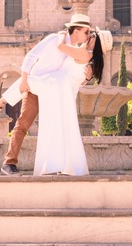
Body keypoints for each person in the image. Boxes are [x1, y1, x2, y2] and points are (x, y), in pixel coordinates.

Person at [0, 13, 99, 175]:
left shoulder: (75, 49)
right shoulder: (53, 39)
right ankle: (9, 163)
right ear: (76, 30)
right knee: (23, 124)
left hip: (54, 93)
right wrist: (24, 80)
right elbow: (30, 57)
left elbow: (72, 75)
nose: (88, 36)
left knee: (57, 127)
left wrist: (87, 76)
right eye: (86, 32)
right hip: (37, 87)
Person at [28, 28, 105, 176]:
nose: (89, 36)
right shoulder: (85, 55)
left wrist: (62, 34)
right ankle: (63, 165)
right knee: (63, 128)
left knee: (54, 125)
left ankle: (53, 165)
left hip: (59, 88)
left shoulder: (84, 54)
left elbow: (61, 47)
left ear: (96, 42)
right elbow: (79, 79)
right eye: (89, 33)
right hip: (62, 90)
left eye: (93, 35)